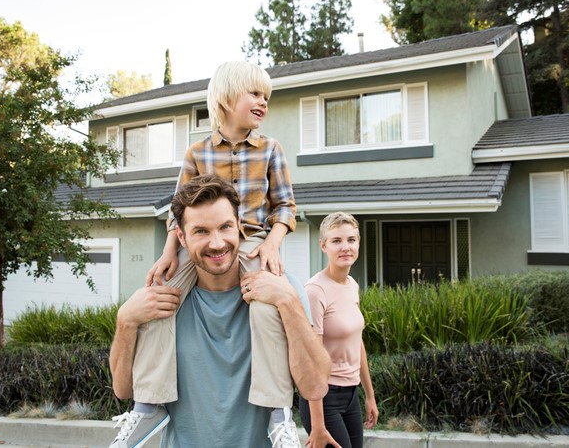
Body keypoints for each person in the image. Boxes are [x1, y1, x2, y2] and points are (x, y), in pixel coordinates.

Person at [108, 61, 299, 448]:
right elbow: (179, 211)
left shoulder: (271, 149)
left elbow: (286, 206)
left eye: (267, 96)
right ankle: (148, 405)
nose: (263, 102)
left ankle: (280, 416)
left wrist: (272, 243)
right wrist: (168, 254)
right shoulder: (197, 152)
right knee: (161, 298)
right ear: (227, 98)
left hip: (251, 245)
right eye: (255, 94)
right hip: (197, 246)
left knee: (267, 308)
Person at [109, 174, 331, 447]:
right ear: (181, 236)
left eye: (225, 227)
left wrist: (289, 302)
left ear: (239, 225)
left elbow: (316, 386)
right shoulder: (159, 299)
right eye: (201, 231)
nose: (216, 243)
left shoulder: (282, 289)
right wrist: (125, 321)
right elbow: (123, 389)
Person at [299, 212, 379, 448]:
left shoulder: (352, 285)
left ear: (358, 243)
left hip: (351, 395)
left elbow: (357, 342)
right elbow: (310, 359)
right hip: (323, 398)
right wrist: (318, 424)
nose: (345, 247)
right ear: (323, 246)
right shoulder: (315, 291)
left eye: (351, 240)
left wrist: (370, 396)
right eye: (336, 241)